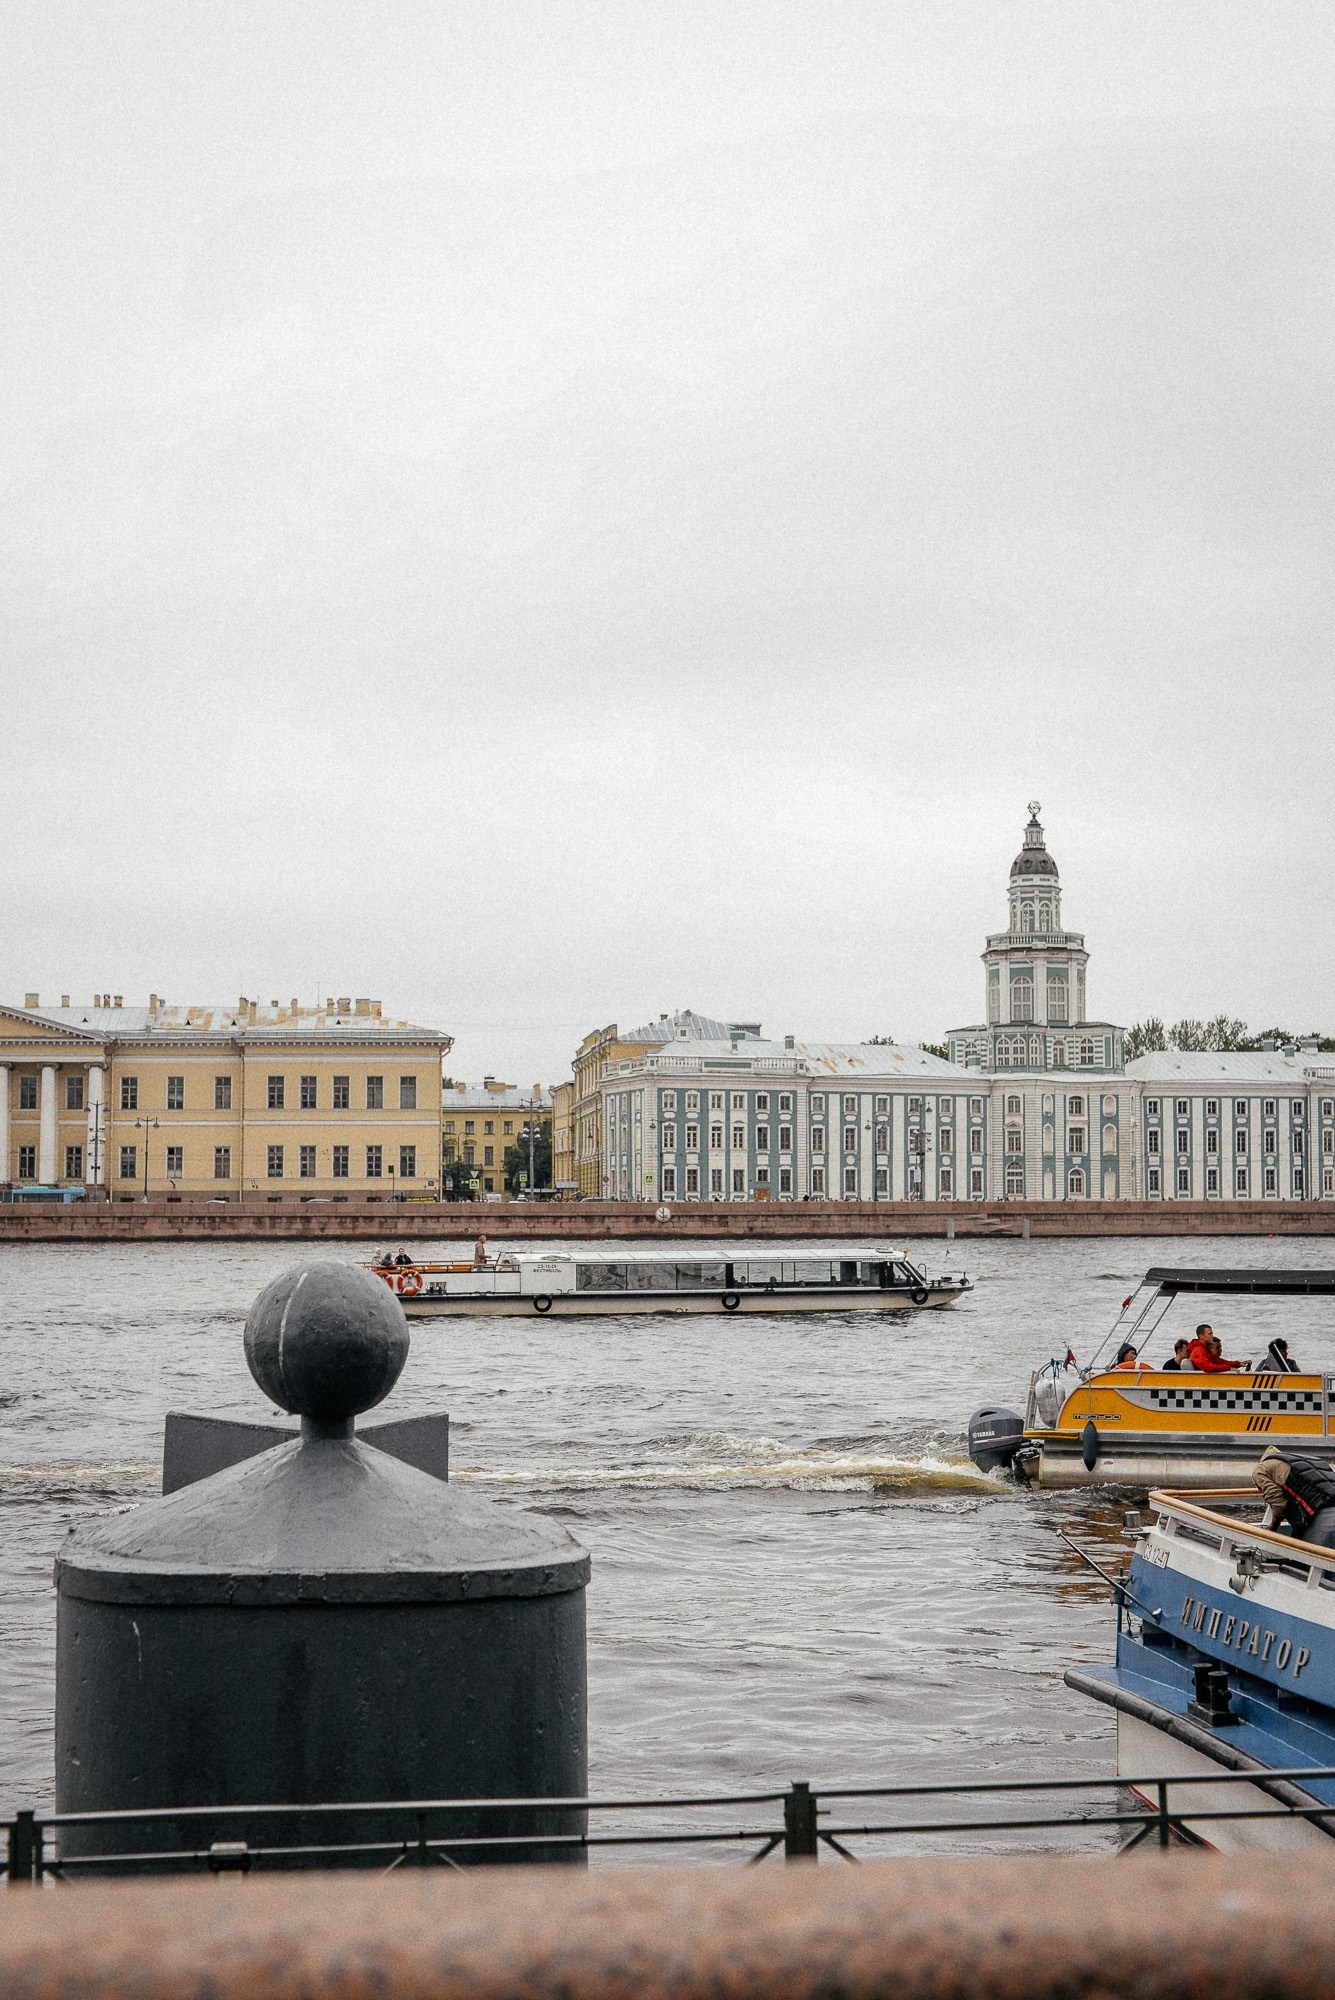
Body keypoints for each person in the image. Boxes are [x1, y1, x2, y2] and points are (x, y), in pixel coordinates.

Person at [1253, 1446, 1335, 1546]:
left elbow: (1279, 1505)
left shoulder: (1261, 1470)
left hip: (1321, 1513)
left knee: (1307, 1554)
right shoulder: (1300, 1460)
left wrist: (1272, 1528)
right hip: (1329, 1503)